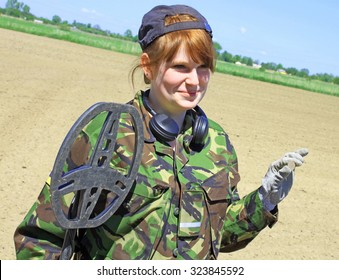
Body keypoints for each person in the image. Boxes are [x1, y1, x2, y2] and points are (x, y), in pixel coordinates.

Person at [14, 4, 308, 260]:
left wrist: (265, 200)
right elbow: (42, 235)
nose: (194, 80)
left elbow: (221, 236)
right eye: (181, 67)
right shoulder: (110, 132)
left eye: (203, 67)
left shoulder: (216, 143)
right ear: (148, 67)